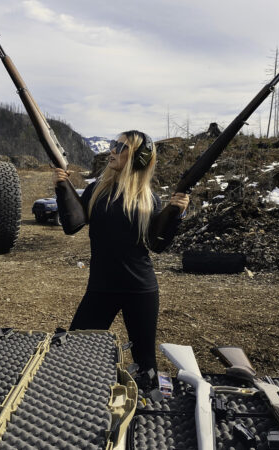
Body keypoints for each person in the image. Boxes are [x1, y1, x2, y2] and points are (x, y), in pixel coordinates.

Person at [53, 130, 189, 379]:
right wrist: (62, 187)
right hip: (101, 287)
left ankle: (144, 410)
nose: (112, 150)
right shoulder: (96, 190)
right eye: (114, 144)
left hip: (141, 290)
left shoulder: (150, 199)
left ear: (138, 157)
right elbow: (71, 225)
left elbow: (157, 245)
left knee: (145, 362)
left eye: (121, 147)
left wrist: (176, 215)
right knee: (73, 351)